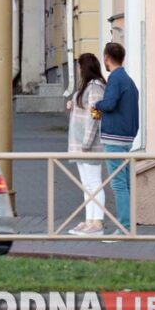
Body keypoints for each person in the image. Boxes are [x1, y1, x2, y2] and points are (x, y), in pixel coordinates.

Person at [92, 42, 140, 234]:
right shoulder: (128, 80)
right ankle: (128, 226)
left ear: (106, 58)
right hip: (127, 138)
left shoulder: (115, 79)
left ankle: (124, 227)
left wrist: (97, 104)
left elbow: (110, 104)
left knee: (118, 184)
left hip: (115, 139)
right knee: (126, 183)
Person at [66, 53, 107, 236]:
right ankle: (89, 219)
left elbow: (94, 115)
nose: (77, 69)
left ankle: (97, 223)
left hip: (88, 144)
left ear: (85, 67)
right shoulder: (86, 87)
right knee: (86, 185)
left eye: (79, 66)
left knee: (94, 183)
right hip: (80, 143)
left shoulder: (95, 87)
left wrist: (87, 142)